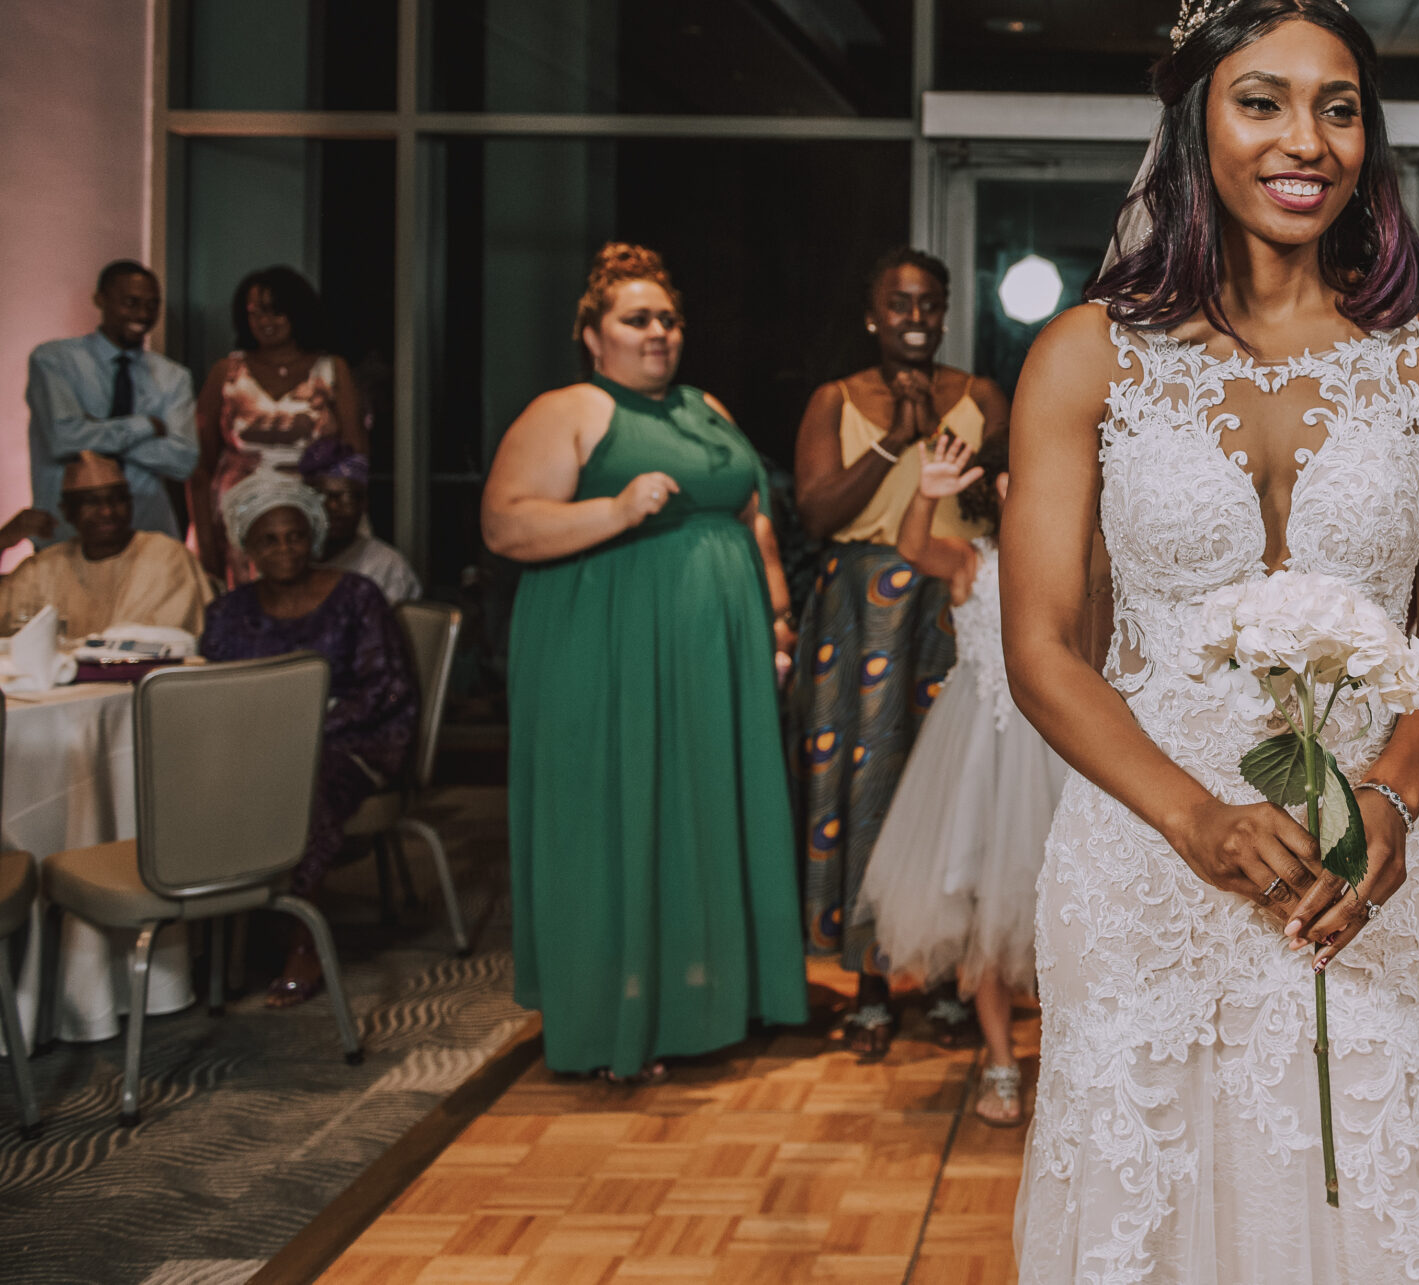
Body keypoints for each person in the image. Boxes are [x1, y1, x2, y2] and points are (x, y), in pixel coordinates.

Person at [1002, 0, 1419, 1279]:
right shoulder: (1084, 355)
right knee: (1146, 1194)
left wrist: (1390, 797)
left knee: (1363, 1179)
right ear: (1193, 124)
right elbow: (1044, 645)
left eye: (1339, 109)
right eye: (1263, 102)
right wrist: (1194, 817)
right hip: (1143, 847)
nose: (1305, 141)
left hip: (1366, 853)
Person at [482, 243, 805, 1082]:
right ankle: (613, 1020)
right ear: (593, 336)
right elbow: (506, 525)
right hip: (607, 646)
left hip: (714, 657)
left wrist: (775, 620)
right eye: (636, 319)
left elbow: (754, 517)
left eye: (668, 318)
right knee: (616, 814)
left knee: (699, 813)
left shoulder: (705, 405)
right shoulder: (570, 410)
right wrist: (616, 510)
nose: (657, 332)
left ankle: (707, 1003)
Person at [788, 246, 1011, 1058]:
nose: (914, 319)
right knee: (866, 787)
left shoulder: (979, 395)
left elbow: (1010, 490)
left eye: (929, 305)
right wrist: (895, 439)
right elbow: (815, 513)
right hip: (862, 617)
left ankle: (957, 980)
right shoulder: (835, 399)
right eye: (898, 304)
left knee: (954, 803)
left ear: (945, 313)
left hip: (960, 604)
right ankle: (873, 986)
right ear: (871, 315)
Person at [856, 432, 1068, 1128]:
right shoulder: (974, 563)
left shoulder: (1075, 561)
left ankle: (1073, 1065)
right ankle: (1002, 1062)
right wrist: (926, 492)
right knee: (986, 911)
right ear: (999, 488)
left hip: (1059, 747)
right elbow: (914, 547)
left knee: (1064, 907)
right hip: (982, 747)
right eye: (1019, 477)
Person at [201, 469, 418, 1006]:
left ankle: (303, 937)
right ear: (247, 546)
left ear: (313, 535)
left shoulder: (356, 596)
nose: (286, 549)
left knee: (307, 780)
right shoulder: (228, 613)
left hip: (353, 739)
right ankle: (215, 932)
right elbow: (211, 691)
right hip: (254, 744)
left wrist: (307, 729)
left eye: (296, 535)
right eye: (269, 539)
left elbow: (387, 687)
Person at [194, 266, 366, 587]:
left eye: (274, 312)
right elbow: (200, 466)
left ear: (297, 313)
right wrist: (206, 538)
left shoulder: (331, 369)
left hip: (309, 519)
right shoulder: (226, 372)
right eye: (254, 312)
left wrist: (341, 524)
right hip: (237, 518)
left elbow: (354, 458)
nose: (264, 322)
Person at [25, 261, 197, 546]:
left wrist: (95, 431)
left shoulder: (173, 377)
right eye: (131, 303)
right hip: (67, 535)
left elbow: (183, 461)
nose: (143, 314)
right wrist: (144, 425)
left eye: (152, 305)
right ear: (100, 299)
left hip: (147, 532)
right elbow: (64, 440)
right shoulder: (54, 360)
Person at [0, 451, 215, 637]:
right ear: (67, 511)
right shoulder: (45, 568)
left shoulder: (165, 555)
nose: (107, 512)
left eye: (117, 499)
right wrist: (3, 540)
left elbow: (168, 640)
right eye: (92, 502)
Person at [300, 437, 421, 605]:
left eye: (347, 498)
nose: (333, 507)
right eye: (322, 497)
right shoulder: (289, 560)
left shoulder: (387, 566)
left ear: (363, 503)